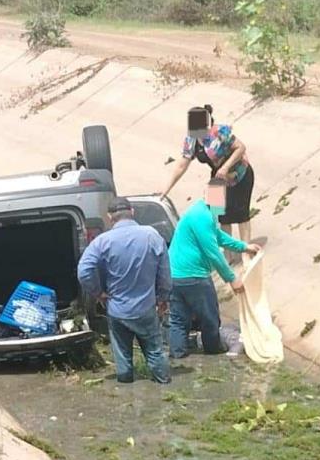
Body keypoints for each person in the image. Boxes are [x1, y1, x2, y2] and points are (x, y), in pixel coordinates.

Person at [77, 197, 172, 384]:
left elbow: (83, 271)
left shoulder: (102, 242)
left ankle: (127, 390)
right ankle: (163, 385)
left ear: (109, 216)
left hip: (117, 310)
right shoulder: (152, 235)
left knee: (123, 359)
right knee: (155, 352)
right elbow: (165, 274)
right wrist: (163, 298)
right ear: (132, 212)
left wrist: (98, 293)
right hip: (146, 308)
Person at [168, 179, 261, 358]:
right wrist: (232, 279)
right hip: (194, 276)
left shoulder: (203, 211)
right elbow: (213, 252)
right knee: (209, 318)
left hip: (175, 275)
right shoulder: (202, 216)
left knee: (178, 320)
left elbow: (217, 235)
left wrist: (243, 246)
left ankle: (177, 356)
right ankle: (213, 353)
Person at [160, 104, 255, 262]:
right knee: (219, 215)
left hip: (239, 172)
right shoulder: (191, 140)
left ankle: (246, 252)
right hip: (217, 177)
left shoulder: (219, 132)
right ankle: (228, 254)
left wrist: (225, 167)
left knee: (241, 213)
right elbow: (182, 165)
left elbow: (241, 148)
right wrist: (166, 190)